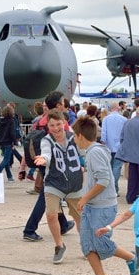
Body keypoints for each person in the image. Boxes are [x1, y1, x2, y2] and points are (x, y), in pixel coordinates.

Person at [73, 117, 139, 275]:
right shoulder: (91, 151)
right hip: (92, 206)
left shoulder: (95, 152)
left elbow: (103, 180)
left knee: (101, 242)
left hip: (102, 206)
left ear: (80, 136)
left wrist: (85, 197)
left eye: (74, 135)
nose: (73, 138)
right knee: (87, 243)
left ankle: (132, 258)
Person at [22, 91, 74, 241]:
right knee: (47, 197)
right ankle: (29, 229)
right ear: (58, 105)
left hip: (42, 160)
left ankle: (63, 224)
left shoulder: (42, 120)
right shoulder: (59, 121)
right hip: (55, 163)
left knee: (54, 194)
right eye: (63, 102)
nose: (65, 104)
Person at [33, 109, 83, 264]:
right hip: (54, 182)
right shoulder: (46, 140)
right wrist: (44, 159)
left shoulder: (74, 137)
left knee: (79, 217)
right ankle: (59, 245)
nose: (56, 128)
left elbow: (85, 151)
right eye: (52, 125)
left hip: (75, 183)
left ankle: (86, 244)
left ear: (64, 123)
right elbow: (47, 153)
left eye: (58, 124)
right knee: (51, 214)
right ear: (48, 126)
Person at [116, 106, 139, 204]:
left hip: (131, 156)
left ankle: (130, 197)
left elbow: (122, 138)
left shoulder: (127, 122)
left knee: (132, 178)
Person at [101, 102, 127, 197]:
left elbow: (103, 134)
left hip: (108, 146)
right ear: (118, 108)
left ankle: (110, 188)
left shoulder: (106, 119)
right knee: (117, 168)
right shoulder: (124, 119)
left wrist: (103, 144)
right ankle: (114, 188)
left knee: (109, 168)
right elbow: (125, 133)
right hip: (119, 147)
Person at [0, 104, 17, 182]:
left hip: (1, 142)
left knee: (5, 159)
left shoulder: (0, 121)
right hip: (8, 142)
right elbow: (12, 133)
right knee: (6, 159)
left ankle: (9, 176)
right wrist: (15, 142)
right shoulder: (11, 121)